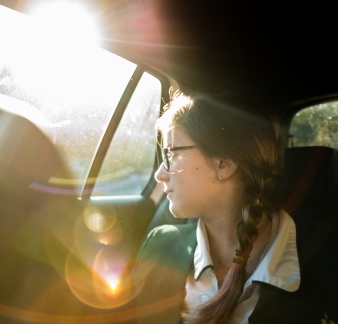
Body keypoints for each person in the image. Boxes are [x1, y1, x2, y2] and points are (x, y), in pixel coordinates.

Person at [132, 91, 335, 323]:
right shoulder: (159, 245)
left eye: (170, 153)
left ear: (223, 165)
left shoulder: (328, 257)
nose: (159, 174)